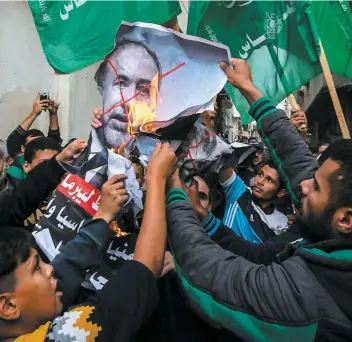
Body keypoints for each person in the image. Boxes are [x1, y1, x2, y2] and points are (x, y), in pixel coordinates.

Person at [166, 58, 352, 341]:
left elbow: (210, 275)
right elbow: (295, 158)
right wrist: (251, 91)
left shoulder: (311, 296)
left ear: (346, 219)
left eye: (315, 187)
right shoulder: (327, 231)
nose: (302, 185)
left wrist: (175, 195)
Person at [0, 142, 176, 342]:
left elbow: (68, 266)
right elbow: (144, 268)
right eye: (37, 269)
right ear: (8, 307)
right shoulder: (67, 336)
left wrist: (102, 216)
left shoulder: (29, 303)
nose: (50, 269)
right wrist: (157, 179)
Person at [0, 139, 87, 227]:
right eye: (44, 163)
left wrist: (59, 161)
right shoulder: (13, 188)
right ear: (26, 166)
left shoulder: (70, 196)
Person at [94, 40, 161, 149]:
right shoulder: (76, 157)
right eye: (121, 84)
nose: (129, 101)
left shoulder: (165, 160)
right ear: (101, 89)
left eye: (143, 90)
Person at [219, 158, 288, 243]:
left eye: (269, 180)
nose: (260, 181)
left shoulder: (282, 224)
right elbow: (221, 163)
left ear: (281, 192)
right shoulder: (239, 192)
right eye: (260, 174)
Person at [6, 94, 62, 183]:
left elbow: (53, 143)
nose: (37, 149)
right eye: (32, 145)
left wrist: (53, 113)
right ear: (22, 149)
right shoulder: (15, 170)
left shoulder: (52, 165)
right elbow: (13, 141)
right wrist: (34, 113)